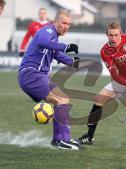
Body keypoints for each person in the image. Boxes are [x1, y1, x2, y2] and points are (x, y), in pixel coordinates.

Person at [78, 21, 126, 149]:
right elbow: (114, 75)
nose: (113, 38)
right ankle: (90, 136)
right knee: (98, 99)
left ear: (121, 34)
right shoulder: (105, 51)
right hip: (122, 80)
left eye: (116, 35)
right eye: (111, 35)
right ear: (106, 35)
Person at [18, 10, 82, 150]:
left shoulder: (54, 37)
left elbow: (56, 54)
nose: (66, 26)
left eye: (69, 24)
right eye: (63, 23)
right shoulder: (48, 30)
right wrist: (66, 46)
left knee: (64, 99)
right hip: (31, 75)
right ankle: (65, 140)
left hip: (37, 76)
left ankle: (58, 139)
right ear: (55, 22)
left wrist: (73, 63)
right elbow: (42, 41)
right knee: (61, 101)